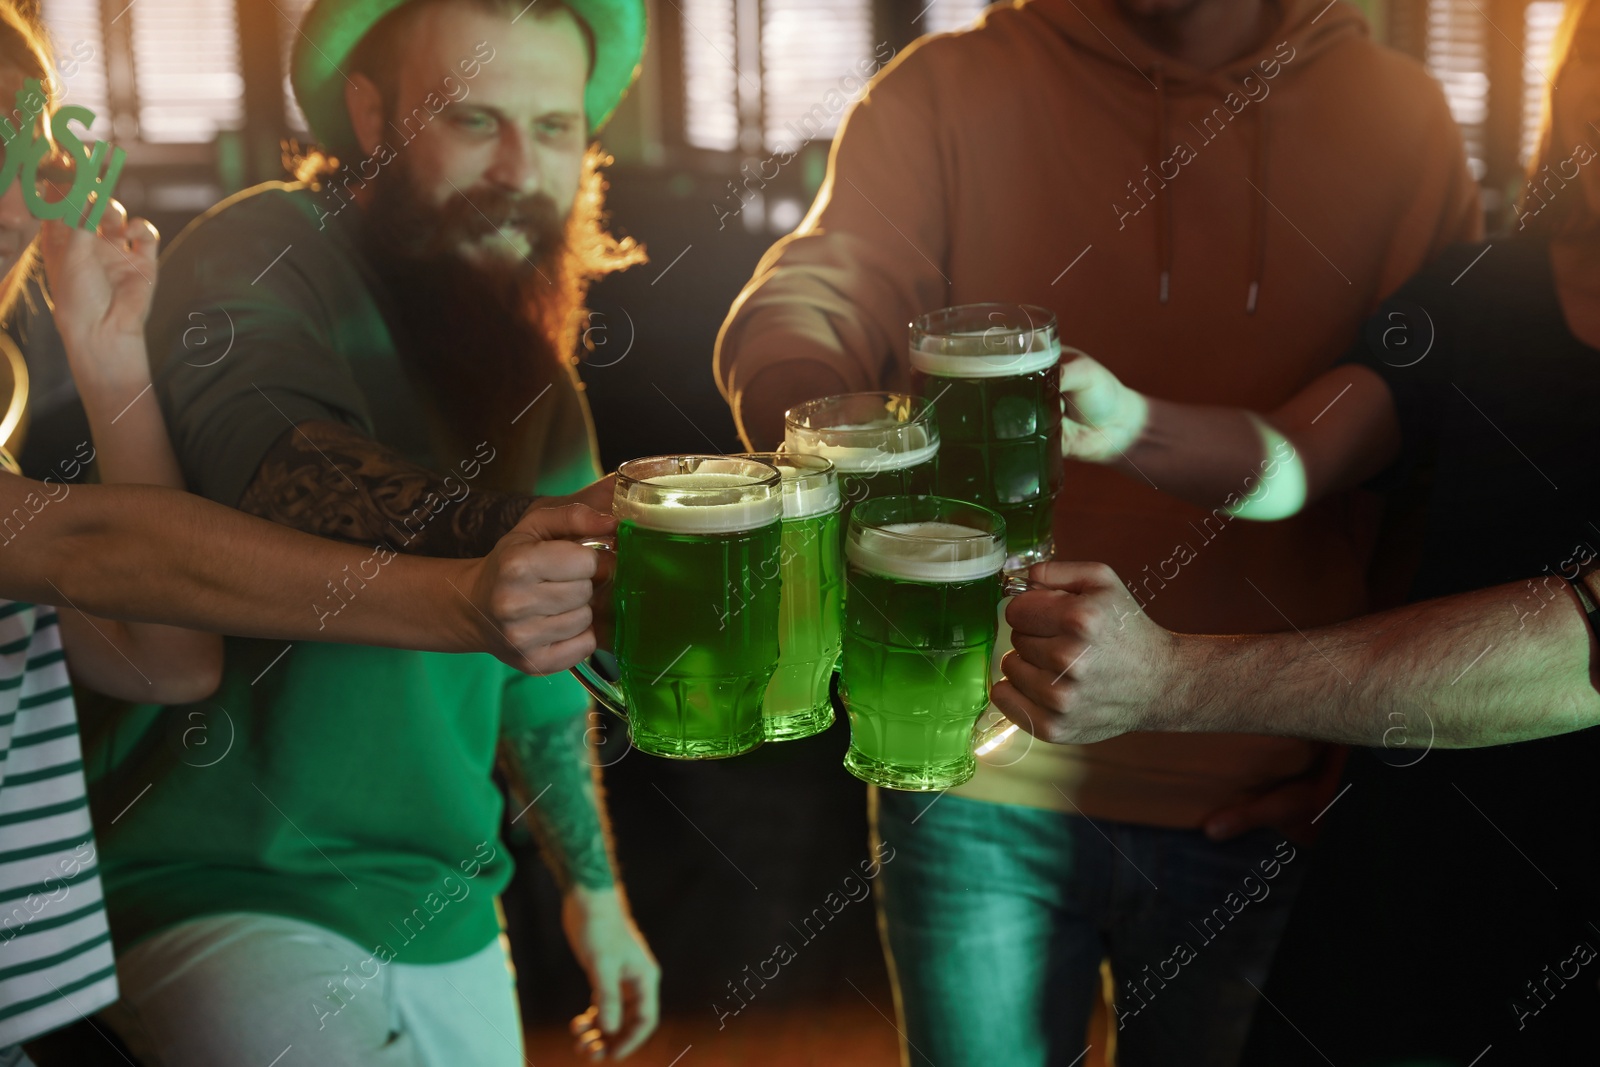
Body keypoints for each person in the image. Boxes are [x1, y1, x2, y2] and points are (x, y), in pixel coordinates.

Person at [713, 0, 1480, 1062]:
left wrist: (1360, 753)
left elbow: (1425, 449)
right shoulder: (946, 87)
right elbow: (815, 287)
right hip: (973, 767)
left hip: (1249, 782)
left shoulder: (1397, 114)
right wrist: (809, 420)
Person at [0, 8, 615, 1063]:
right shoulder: (265, 245)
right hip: (222, 888)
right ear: (370, 112)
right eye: (474, 117)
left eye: (33, 139)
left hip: (431, 897)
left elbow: (167, 654)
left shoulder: (532, 377)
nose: (31, 190)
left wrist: (112, 364)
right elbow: (237, 479)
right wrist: (475, 580)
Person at [997, 1, 1600, 1057]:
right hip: (1406, 874)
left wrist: (1170, 679)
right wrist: (1133, 424)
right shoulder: (1481, 290)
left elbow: (1579, 649)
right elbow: (1296, 458)